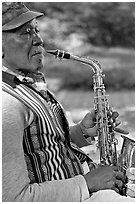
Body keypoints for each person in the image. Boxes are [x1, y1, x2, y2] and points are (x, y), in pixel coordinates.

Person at [2, 2, 135, 202]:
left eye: (36, 30)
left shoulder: (28, 84)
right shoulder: (7, 105)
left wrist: (81, 131)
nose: (39, 40)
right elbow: (12, 198)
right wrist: (88, 183)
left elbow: (44, 146)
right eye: (25, 33)